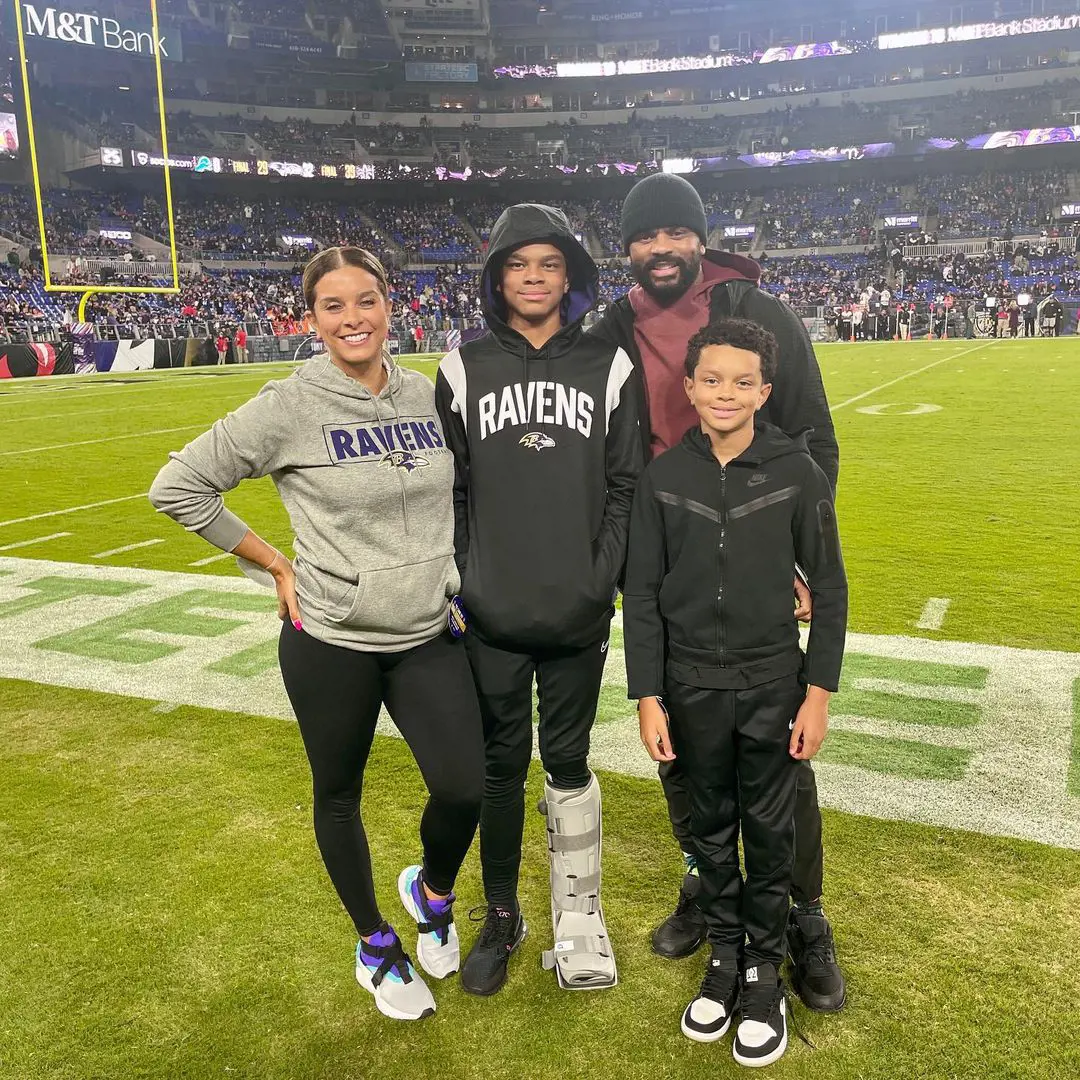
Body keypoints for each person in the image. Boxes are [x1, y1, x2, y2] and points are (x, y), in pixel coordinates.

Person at [149, 246, 485, 1023]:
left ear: (389, 305)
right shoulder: (288, 405)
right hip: (331, 639)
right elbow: (178, 486)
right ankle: (375, 946)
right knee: (340, 795)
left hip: (428, 631)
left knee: (464, 784)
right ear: (310, 320)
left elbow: (462, 494)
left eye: (365, 300)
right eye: (333, 307)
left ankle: (430, 893)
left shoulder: (427, 393)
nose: (352, 318)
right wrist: (272, 563)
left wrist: (448, 574)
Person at [589, 172, 845, 1013]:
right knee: (686, 759)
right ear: (625, 247)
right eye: (645, 236)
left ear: (699, 239)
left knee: (780, 765)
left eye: (675, 233)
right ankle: (709, 887)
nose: (661, 248)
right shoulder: (613, 328)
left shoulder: (756, 312)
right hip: (667, 538)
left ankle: (804, 916)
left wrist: (799, 556)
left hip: (754, 536)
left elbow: (813, 430)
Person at [624, 316, 847, 1066]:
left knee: (771, 831)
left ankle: (762, 970)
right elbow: (644, 596)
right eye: (710, 380)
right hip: (688, 689)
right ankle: (724, 956)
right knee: (709, 830)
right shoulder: (663, 479)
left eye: (742, 381)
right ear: (688, 388)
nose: (725, 393)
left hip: (772, 686)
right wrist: (648, 696)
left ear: (766, 390)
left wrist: (816, 692)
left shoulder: (797, 471)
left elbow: (833, 591)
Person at [436, 203, 642, 996]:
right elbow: (444, 489)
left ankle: (577, 915)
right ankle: (500, 913)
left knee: (566, 760)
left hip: (576, 612)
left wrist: (600, 579)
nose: (532, 278)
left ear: (570, 276)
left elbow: (626, 485)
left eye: (548, 265)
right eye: (517, 265)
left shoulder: (609, 367)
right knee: (498, 769)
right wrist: (465, 576)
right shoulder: (460, 369)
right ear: (496, 276)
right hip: (489, 614)